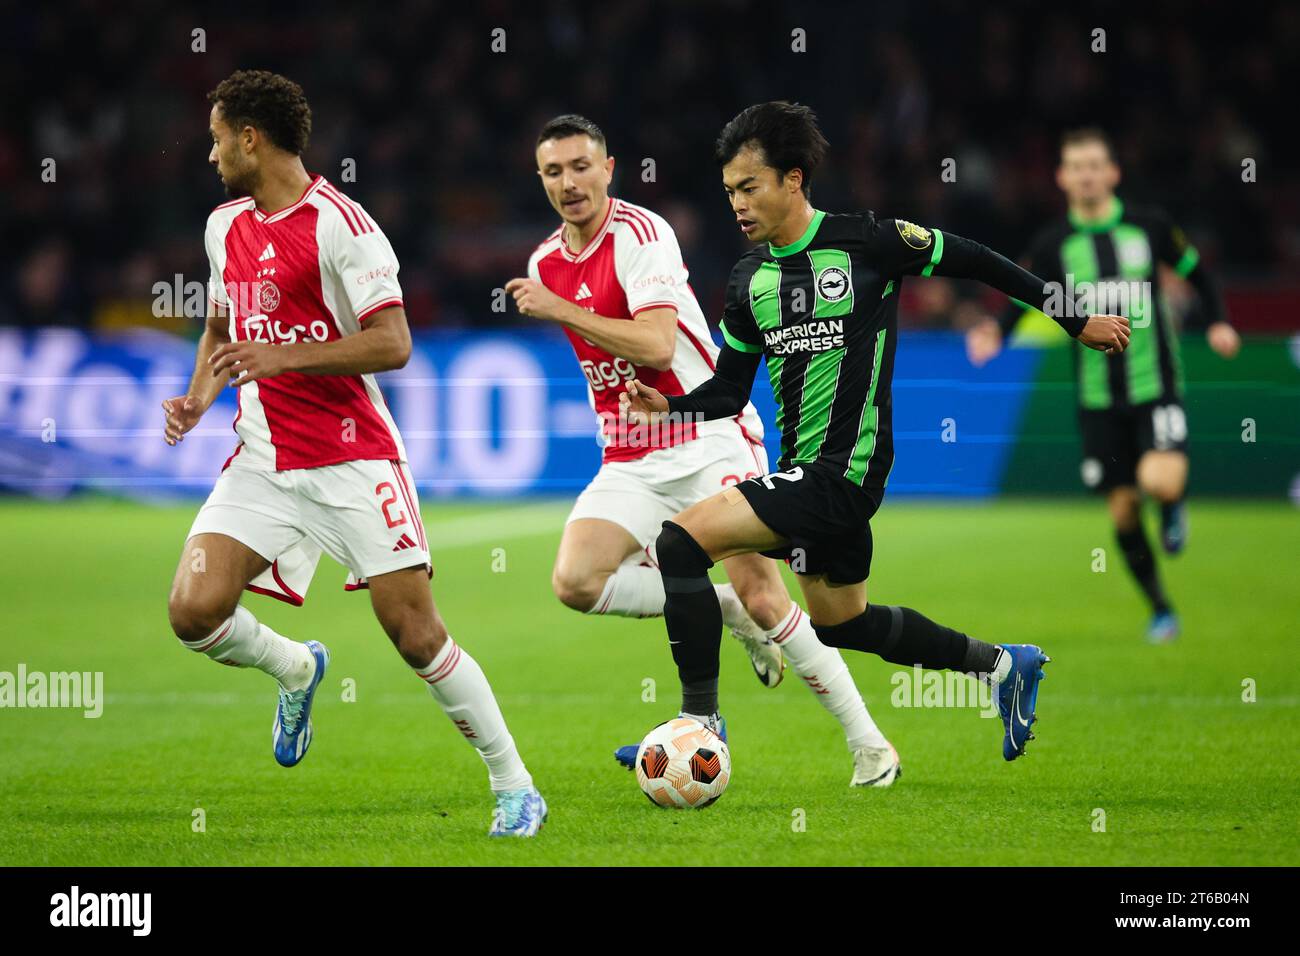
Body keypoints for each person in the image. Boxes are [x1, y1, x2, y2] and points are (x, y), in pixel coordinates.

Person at [622, 102, 1131, 762]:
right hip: (810, 475)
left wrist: (1072, 317)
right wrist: (672, 409)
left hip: (846, 471)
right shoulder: (749, 282)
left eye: (750, 187)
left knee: (680, 543)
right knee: (842, 623)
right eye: (729, 193)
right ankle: (1004, 667)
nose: (738, 205)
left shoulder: (869, 242)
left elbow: (978, 260)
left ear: (793, 179)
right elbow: (728, 389)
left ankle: (699, 725)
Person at [164, 70, 545, 836]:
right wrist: (200, 396)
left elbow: (393, 342)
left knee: (415, 633)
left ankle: (515, 786)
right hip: (263, 459)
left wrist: (281, 359)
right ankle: (296, 668)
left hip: (352, 460)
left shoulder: (345, 225)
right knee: (193, 611)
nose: (209, 156)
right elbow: (218, 327)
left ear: (250, 138)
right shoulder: (223, 227)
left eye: (215, 139)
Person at [507, 115, 899, 787]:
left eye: (580, 167)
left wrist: (559, 309)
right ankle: (721, 611)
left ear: (608, 169)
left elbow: (658, 347)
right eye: (553, 171)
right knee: (575, 582)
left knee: (766, 593)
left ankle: (870, 746)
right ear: (540, 179)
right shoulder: (547, 261)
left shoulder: (641, 235)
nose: (569, 183)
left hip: (704, 435)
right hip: (631, 454)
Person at [966, 128, 1240, 643]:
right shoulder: (1053, 246)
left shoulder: (1150, 227)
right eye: (1077, 166)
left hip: (1154, 385)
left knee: (1159, 482)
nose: (1087, 175)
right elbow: (1025, 295)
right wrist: (995, 335)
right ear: (1062, 177)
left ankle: (1174, 504)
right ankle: (1160, 607)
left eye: (1096, 165)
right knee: (1122, 509)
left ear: (1113, 173)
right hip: (1097, 399)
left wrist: (1219, 321)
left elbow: (1199, 273)